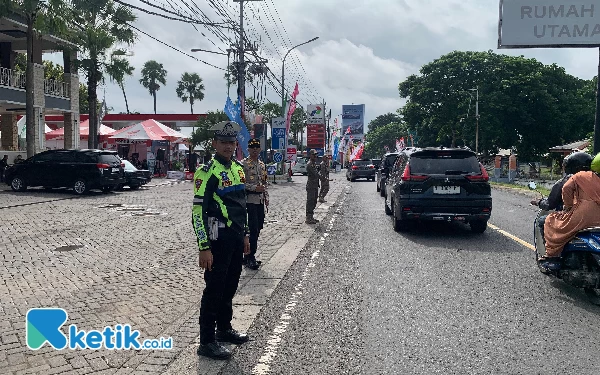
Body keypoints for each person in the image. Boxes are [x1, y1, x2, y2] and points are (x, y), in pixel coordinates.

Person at [192, 121, 251, 360]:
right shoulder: (207, 172)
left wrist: (246, 234)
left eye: (231, 142)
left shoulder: (238, 168)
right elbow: (198, 212)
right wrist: (203, 247)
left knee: (230, 285)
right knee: (214, 289)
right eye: (224, 142)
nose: (228, 146)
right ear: (214, 144)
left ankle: (224, 329)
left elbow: (242, 205)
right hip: (217, 239)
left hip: (236, 237)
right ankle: (206, 341)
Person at [542, 152, 600, 259]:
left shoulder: (579, 176)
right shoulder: (594, 177)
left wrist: (568, 206)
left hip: (584, 217)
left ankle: (552, 256)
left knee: (550, 220)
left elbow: (566, 189)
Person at [530, 151, 592, 240]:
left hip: (574, 219)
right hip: (593, 220)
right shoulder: (595, 180)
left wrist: (538, 201)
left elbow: (550, 204)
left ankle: (549, 250)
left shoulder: (567, 181)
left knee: (542, 221)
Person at [242, 138, 268, 270]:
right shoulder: (244, 164)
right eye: (252, 148)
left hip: (260, 201)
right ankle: (249, 257)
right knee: (252, 230)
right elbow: (241, 183)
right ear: (248, 149)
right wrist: (254, 188)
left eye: (257, 148)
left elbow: (264, 180)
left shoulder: (262, 165)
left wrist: (264, 188)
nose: (255, 150)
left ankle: (249, 255)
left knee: (258, 228)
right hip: (249, 201)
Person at [306, 149, 320, 224]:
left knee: (314, 201)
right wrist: (324, 178)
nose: (315, 156)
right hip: (311, 186)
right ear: (310, 155)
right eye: (314, 155)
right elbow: (316, 174)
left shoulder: (314, 164)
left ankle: (311, 217)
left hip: (314, 185)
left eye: (316, 155)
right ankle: (308, 218)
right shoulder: (310, 164)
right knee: (310, 201)